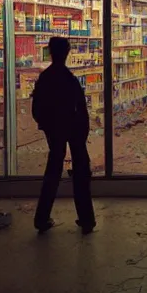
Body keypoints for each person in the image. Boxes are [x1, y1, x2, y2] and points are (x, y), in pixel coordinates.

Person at [32, 37, 96, 234]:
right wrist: (82, 134)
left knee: (52, 173)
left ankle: (42, 219)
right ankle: (86, 220)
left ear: (50, 52)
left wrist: (47, 127)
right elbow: (82, 110)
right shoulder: (70, 79)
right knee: (81, 174)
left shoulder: (45, 78)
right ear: (67, 52)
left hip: (55, 131)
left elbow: (37, 109)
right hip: (74, 130)